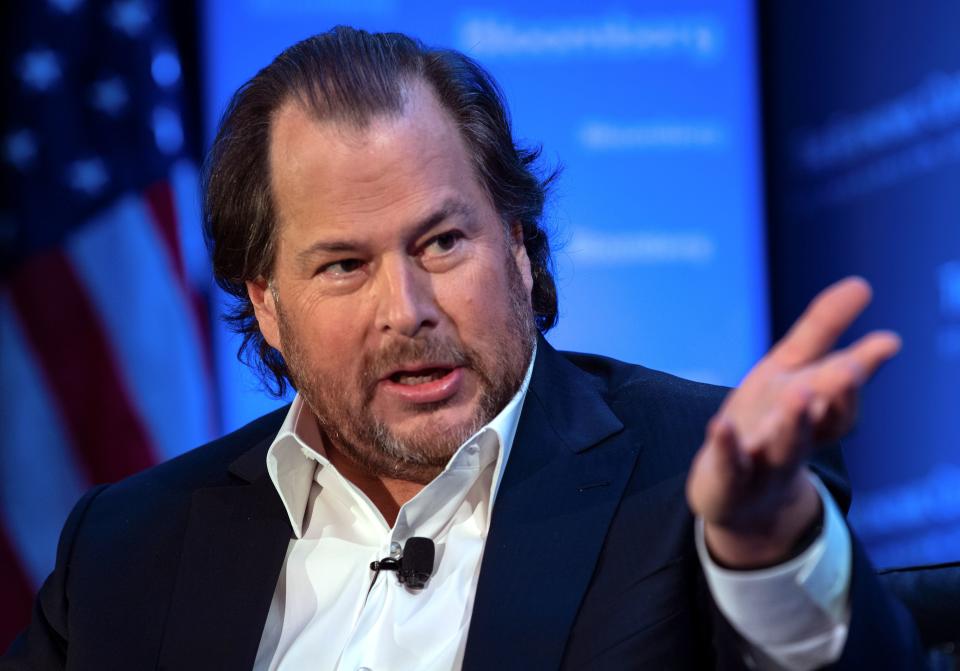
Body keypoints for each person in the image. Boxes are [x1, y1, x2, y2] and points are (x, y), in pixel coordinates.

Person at [2, 26, 923, 670]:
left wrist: (765, 539)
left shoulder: (697, 472)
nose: (407, 308)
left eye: (443, 242)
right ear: (268, 305)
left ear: (519, 247)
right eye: (344, 265)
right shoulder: (128, 547)